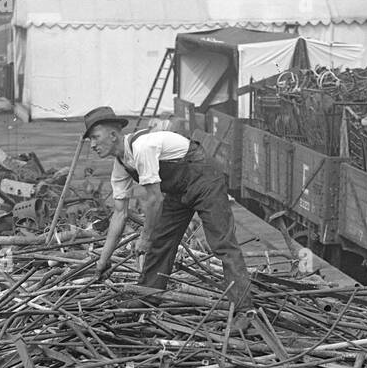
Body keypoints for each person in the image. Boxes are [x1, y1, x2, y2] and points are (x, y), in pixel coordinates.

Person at [83, 105, 253, 316]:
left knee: (223, 245)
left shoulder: (143, 147)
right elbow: (119, 214)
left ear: (113, 135)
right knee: (161, 241)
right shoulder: (121, 164)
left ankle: (246, 310)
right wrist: (102, 261)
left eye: (95, 137)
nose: (92, 145)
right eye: (89, 140)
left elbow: (154, 199)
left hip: (204, 180)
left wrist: (145, 237)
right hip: (178, 190)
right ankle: (148, 296)